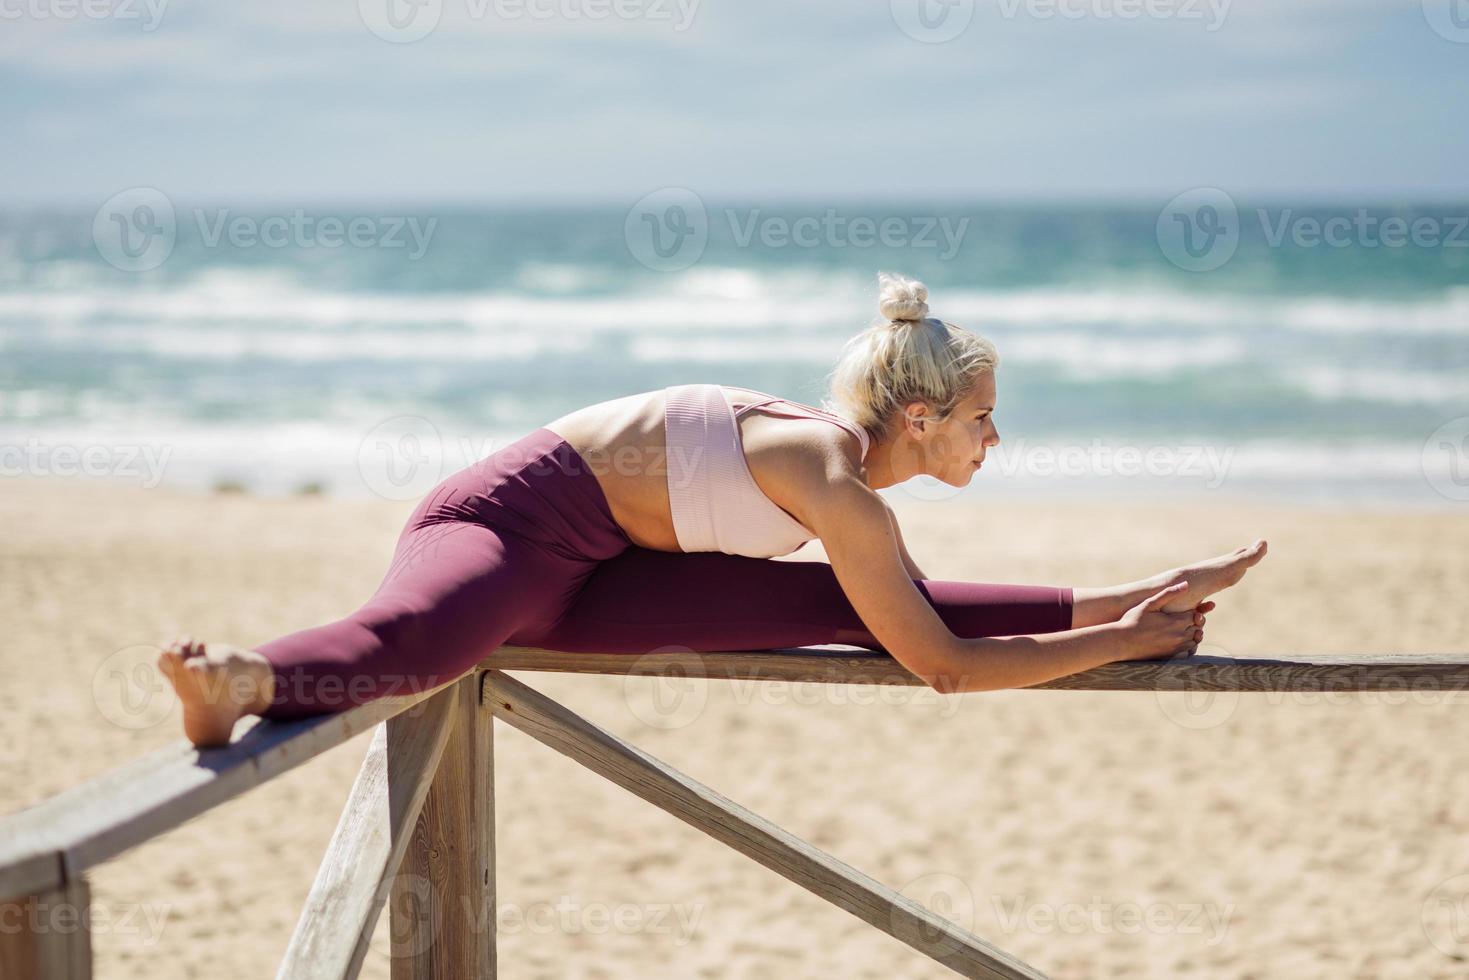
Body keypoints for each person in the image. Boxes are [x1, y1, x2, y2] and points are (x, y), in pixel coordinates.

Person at [160, 272, 1264, 747]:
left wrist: (1137, 602)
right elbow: (942, 666)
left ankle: (247, 680)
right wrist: (1120, 645)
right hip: (505, 532)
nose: (994, 438)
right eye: (982, 415)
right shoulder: (829, 477)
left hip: (602, 580)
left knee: (856, 602)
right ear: (920, 416)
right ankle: (238, 680)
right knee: (418, 643)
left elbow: (908, 614)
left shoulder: (847, 502)